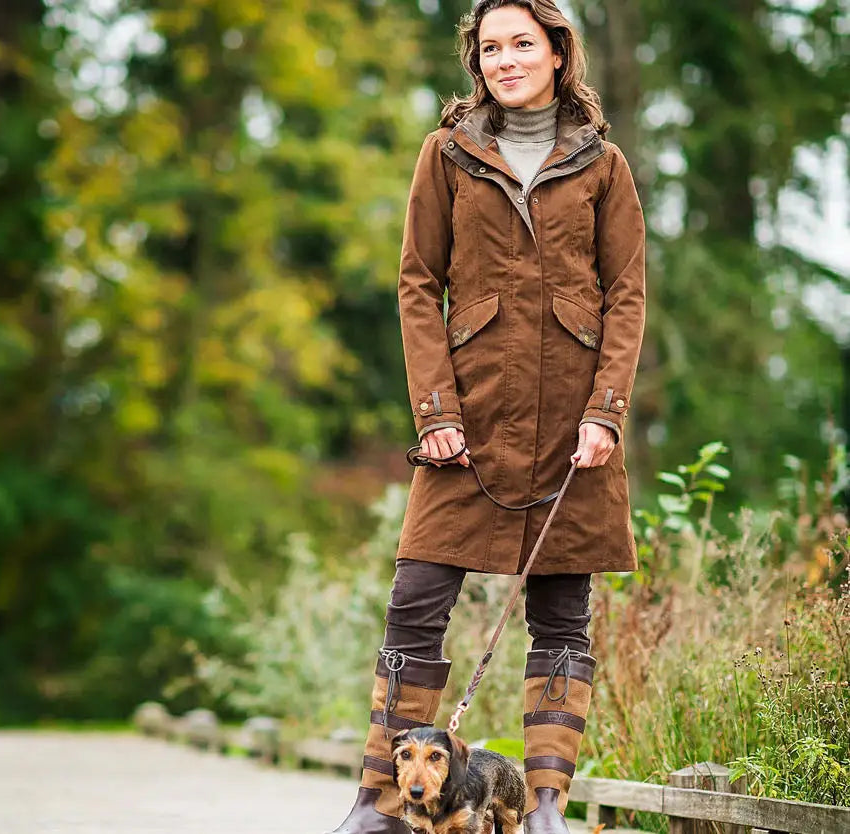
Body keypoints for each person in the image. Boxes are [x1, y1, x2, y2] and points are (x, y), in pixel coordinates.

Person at [323, 2, 646, 833]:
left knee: (562, 620)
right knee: (416, 598)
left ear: (556, 53)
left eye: (522, 44)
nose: (505, 60)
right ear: (477, 61)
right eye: (490, 47)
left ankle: (542, 807)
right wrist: (435, 409)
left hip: (574, 426)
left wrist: (606, 412)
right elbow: (417, 283)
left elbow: (628, 296)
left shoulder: (605, 165)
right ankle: (378, 801)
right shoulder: (448, 155)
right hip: (465, 424)